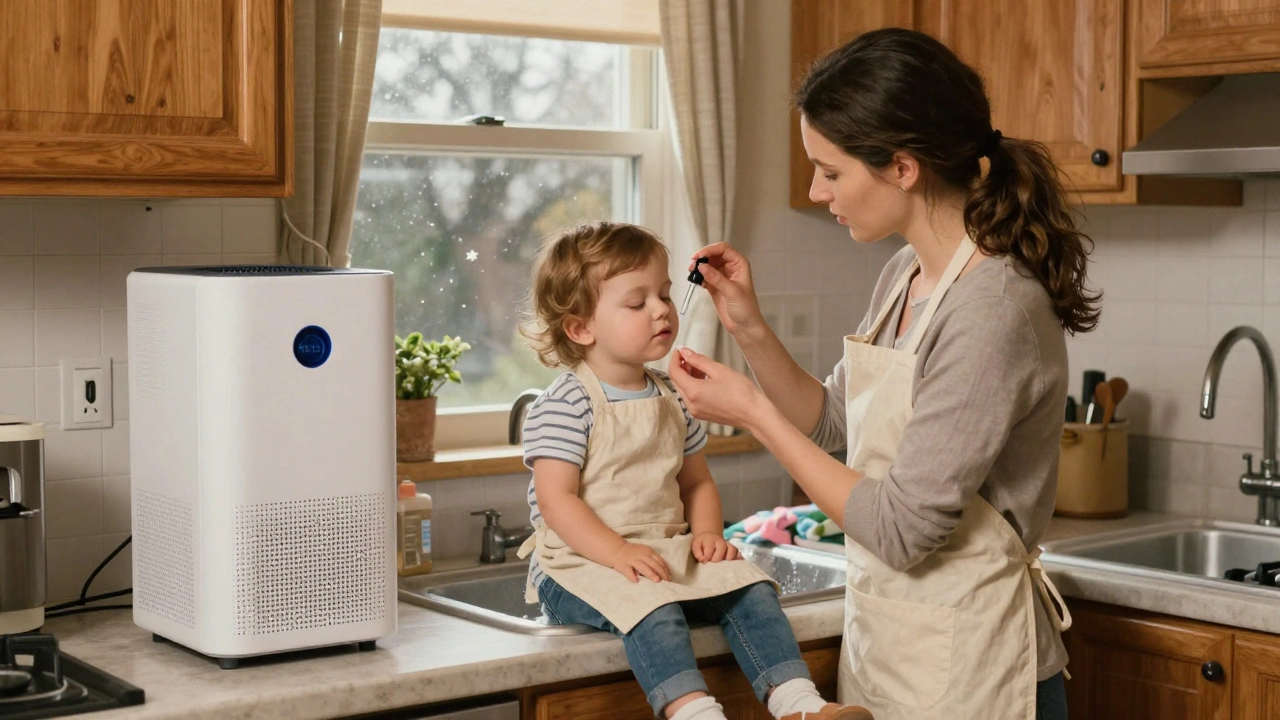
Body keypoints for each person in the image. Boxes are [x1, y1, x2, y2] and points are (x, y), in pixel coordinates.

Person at [666, 28, 1099, 720]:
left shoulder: (993, 307)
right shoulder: (906, 273)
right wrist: (748, 326)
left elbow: (900, 528)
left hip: (977, 672)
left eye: (831, 171)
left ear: (903, 167)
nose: (815, 190)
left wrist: (752, 413)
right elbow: (836, 424)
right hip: (892, 657)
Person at [516, 221, 873, 720]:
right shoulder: (565, 404)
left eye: (663, 294)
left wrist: (707, 534)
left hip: (664, 550)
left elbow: (696, 481)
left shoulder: (674, 394)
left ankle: (798, 706)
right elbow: (558, 503)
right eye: (637, 303)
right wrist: (617, 552)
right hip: (578, 563)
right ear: (580, 327)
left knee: (748, 587)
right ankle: (695, 714)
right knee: (652, 607)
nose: (662, 308)